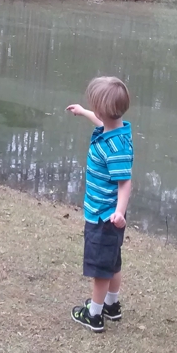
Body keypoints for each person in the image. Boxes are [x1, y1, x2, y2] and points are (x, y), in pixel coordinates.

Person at [66, 76, 133, 333]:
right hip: (108, 215)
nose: (91, 109)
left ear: (104, 111)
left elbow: (125, 182)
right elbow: (102, 121)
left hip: (105, 217)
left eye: (93, 105)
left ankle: (94, 315)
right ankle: (112, 306)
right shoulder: (117, 130)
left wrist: (118, 212)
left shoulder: (115, 147)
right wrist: (84, 113)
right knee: (112, 260)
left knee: (100, 269)